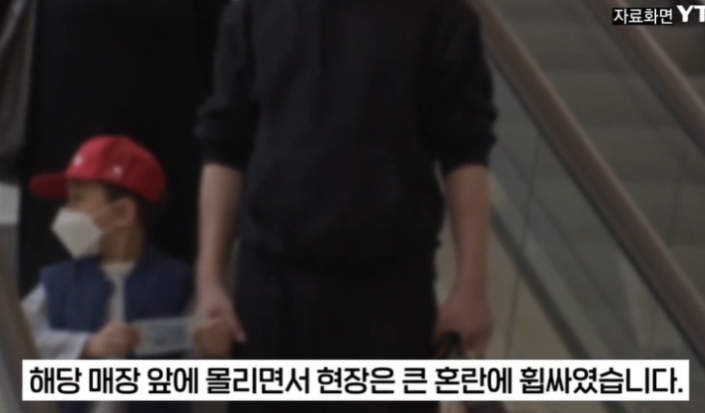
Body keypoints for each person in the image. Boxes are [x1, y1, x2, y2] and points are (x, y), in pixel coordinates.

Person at [195, 0, 496, 412]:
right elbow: (224, 149)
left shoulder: (439, 13)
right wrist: (209, 280)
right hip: (271, 294)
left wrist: (471, 287)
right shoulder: (250, 11)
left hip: (389, 296)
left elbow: (466, 151)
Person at [0, 0, 228, 297]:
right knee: (57, 301)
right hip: (66, 169)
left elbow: (223, 77)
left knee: (162, 306)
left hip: (164, 182)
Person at [21, 136, 232, 413]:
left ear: (122, 212)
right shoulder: (57, 283)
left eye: (78, 199)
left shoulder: (178, 284)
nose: (66, 212)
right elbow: (19, 342)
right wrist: (85, 346)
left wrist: (211, 350)